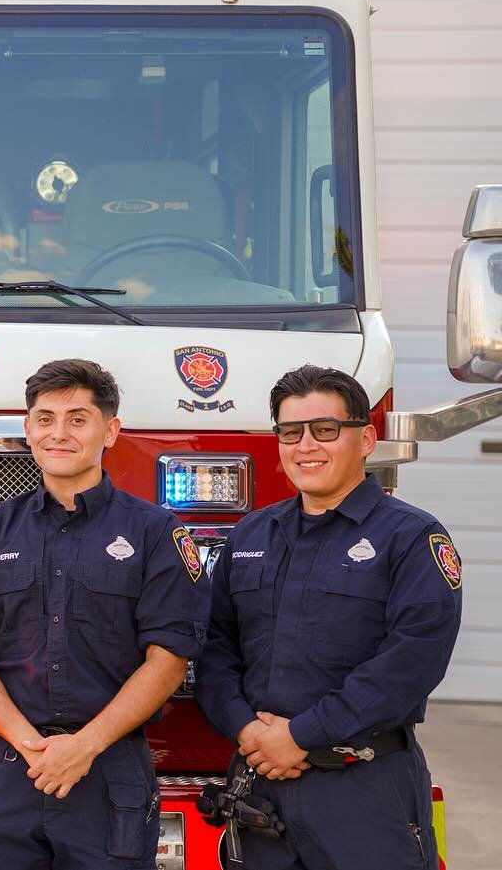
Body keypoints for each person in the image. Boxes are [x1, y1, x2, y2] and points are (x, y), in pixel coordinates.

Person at [0, 358, 211, 869]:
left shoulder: (156, 532)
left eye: (78, 419)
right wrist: (35, 747)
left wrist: (83, 747)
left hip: (108, 771)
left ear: (111, 431)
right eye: (45, 418)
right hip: (4, 770)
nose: (58, 433)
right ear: (28, 429)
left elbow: (168, 662)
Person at [195, 365, 462, 869]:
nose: (306, 445)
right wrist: (248, 731)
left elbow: (411, 663)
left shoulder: (411, 538)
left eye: (325, 430)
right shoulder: (251, 536)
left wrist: (299, 735)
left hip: (364, 787)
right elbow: (213, 647)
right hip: (260, 786)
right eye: (290, 432)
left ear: (365, 439)